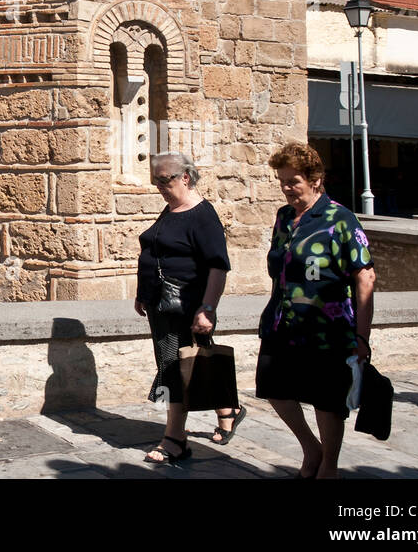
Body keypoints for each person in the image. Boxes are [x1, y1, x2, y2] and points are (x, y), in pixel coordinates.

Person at [257, 141, 375, 479]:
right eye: (281, 180)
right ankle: (311, 447)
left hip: (328, 328)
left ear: (315, 180)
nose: (286, 188)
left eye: (293, 180)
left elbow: (365, 277)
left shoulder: (340, 219)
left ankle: (328, 466)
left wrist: (362, 337)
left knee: (326, 400)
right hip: (282, 322)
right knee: (273, 388)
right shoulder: (284, 218)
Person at [134, 151, 236, 464]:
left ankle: (175, 438)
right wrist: (143, 292)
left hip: (187, 307)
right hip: (161, 304)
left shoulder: (202, 215)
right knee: (195, 362)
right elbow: (157, 252)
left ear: (186, 178)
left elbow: (218, 267)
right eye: (156, 181)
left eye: (164, 180)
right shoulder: (171, 210)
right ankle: (228, 410)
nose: (159, 187)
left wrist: (207, 309)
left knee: (172, 370)